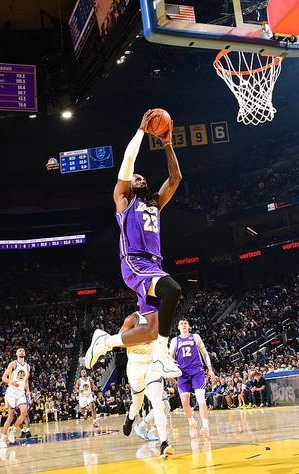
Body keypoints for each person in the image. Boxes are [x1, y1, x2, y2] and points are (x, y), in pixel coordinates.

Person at [85, 109, 183, 379]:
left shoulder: (155, 203)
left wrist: (167, 144)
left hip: (153, 265)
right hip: (135, 262)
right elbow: (128, 161)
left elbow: (175, 179)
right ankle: (162, 355)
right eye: (136, 178)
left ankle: (105, 342)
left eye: (143, 178)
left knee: (150, 330)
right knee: (173, 289)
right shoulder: (124, 201)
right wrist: (141, 131)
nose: (141, 179)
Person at [119, 312, 174, 459]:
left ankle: (164, 443)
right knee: (137, 403)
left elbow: (162, 346)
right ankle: (130, 418)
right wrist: (142, 335)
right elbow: (120, 340)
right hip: (135, 366)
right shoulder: (133, 318)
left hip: (152, 365)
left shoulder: (160, 318)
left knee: (159, 403)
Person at [169, 319, 217, 438]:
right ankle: (192, 423)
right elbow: (170, 358)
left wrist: (210, 369)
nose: (184, 325)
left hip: (197, 371)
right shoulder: (175, 340)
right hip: (182, 374)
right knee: (184, 401)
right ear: (178, 327)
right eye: (181, 323)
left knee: (201, 399)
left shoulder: (195, 337)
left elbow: (205, 354)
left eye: (185, 323)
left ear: (189, 326)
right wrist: (170, 374)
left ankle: (205, 427)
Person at [0, 348, 31, 448]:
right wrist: (11, 382)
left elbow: (26, 380)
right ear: (16, 353)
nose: (21, 351)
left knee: (24, 413)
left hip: (21, 392)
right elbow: (3, 377)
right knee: (11, 417)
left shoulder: (27, 366)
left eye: (23, 350)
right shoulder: (13, 364)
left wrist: (28, 390)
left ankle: (13, 430)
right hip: (12, 392)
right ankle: (2, 439)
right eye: (19, 350)